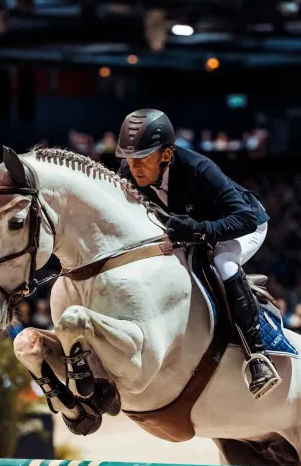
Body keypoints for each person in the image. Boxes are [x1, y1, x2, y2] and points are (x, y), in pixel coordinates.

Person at [115, 108, 279, 399]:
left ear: (166, 155)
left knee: (223, 262)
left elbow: (245, 219)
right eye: (129, 158)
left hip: (242, 225)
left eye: (143, 158)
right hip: (194, 230)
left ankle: (257, 358)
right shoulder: (127, 174)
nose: (134, 167)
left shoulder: (199, 169)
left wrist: (201, 231)